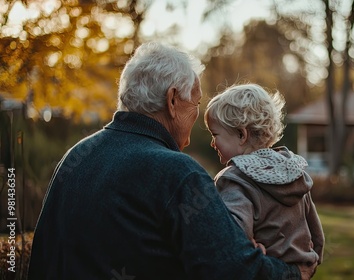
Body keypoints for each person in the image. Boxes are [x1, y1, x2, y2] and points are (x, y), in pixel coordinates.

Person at [27, 42, 317, 280]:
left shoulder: (75, 157)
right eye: (197, 103)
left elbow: (42, 256)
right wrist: (294, 272)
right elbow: (234, 270)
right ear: (173, 100)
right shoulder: (178, 173)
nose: (198, 119)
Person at [204, 84, 325, 267]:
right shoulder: (293, 170)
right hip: (301, 266)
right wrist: (316, 257)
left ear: (241, 134)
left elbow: (232, 232)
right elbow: (316, 231)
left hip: (266, 269)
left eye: (215, 135)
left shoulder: (235, 179)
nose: (213, 143)